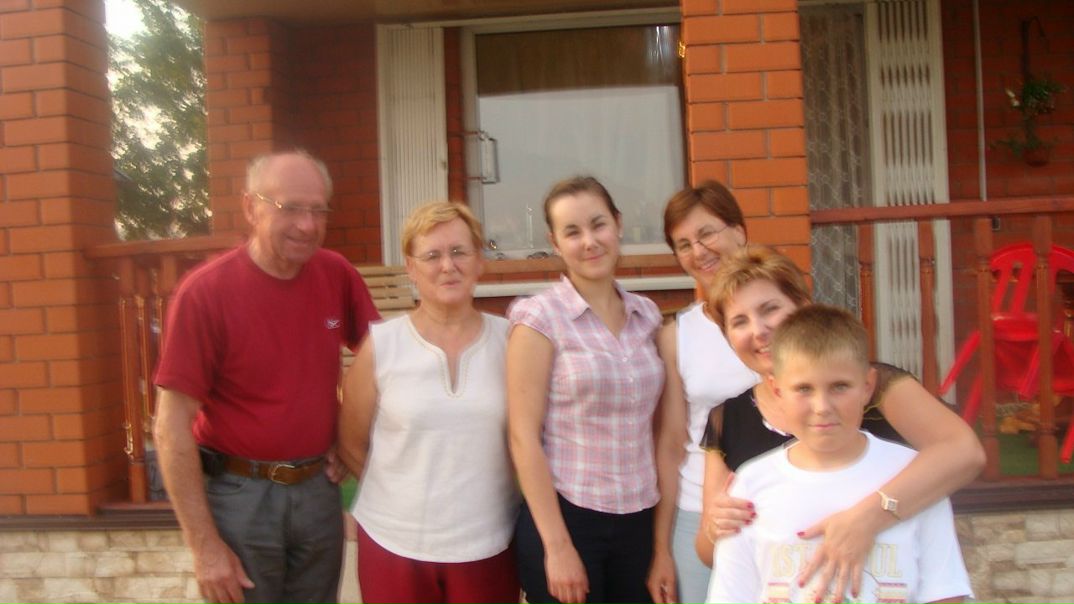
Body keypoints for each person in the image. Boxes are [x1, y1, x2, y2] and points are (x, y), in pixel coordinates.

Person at [153, 150, 380, 604]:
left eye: (318, 210)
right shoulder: (205, 293)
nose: (307, 225)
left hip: (318, 491)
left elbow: (386, 363)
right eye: (290, 208)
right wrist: (205, 548)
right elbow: (170, 427)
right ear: (250, 207)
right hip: (240, 498)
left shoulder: (336, 274)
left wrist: (353, 438)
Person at [697, 247, 984, 602]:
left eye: (769, 309)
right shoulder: (730, 419)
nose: (758, 330)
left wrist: (868, 518)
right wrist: (717, 527)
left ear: (802, 306)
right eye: (739, 321)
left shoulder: (872, 383)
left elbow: (964, 453)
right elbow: (714, 554)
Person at [338, 201, 520, 604]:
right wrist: (405, 496)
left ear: (479, 261)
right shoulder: (382, 346)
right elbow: (350, 442)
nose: (447, 266)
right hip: (394, 546)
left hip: (488, 543)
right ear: (410, 267)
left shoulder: (512, 341)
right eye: (432, 255)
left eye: (459, 252)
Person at [507, 176, 665, 604]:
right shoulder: (539, 318)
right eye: (572, 232)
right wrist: (557, 547)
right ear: (555, 243)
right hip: (570, 516)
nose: (589, 242)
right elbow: (523, 436)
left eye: (598, 225)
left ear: (618, 224)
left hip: (639, 519)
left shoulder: (646, 315)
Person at [650, 181, 756, 604]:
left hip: (778, 504)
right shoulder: (677, 334)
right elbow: (672, 445)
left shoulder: (788, 318)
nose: (698, 251)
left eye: (707, 233)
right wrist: (661, 548)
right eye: (683, 244)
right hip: (699, 511)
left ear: (739, 232)